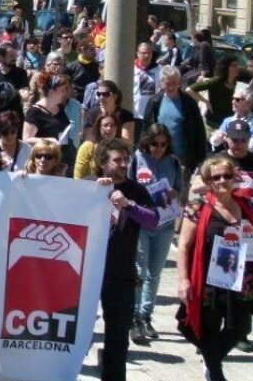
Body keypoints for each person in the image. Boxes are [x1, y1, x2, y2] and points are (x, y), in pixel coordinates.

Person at [176, 156, 253, 381]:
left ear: (234, 178)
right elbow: (183, 247)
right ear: (208, 181)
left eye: (227, 176)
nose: (221, 181)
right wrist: (183, 280)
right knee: (204, 328)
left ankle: (210, 360)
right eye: (215, 177)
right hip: (207, 278)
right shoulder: (197, 208)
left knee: (240, 328)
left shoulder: (244, 206)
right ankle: (216, 375)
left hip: (241, 278)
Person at [94, 138, 159, 381]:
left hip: (120, 272)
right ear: (102, 163)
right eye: (117, 160)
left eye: (125, 159)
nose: (123, 164)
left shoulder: (136, 190)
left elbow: (153, 221)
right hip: (87, 272)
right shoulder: (89, 185)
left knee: (118, 335)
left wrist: (129, 205)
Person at [129, 123, 184, 344]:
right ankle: (134, 317)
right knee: (140, 270)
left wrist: (174, 193)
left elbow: (180, 187)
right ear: (147, 142)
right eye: (154, 144)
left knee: (155, 272)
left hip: (165, 224)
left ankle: (145, 314)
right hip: (142, 222)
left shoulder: (173, 162)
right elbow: (129, 185)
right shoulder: (138, 158)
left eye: (163, 144)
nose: (158, 148)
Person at [142, 65, 208, 176]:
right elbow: (146, 129)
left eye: (175, 83)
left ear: (180, 82)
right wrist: (143, 153)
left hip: (182, 159)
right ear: (162, 82)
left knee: (180, 191)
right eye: (168, 83)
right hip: (158, 157)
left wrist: (200, 159)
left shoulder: (188, 102)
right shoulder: (154, 101)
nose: (171, 87)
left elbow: (199, 131)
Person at [189, 56, 241, 131]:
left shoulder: (234, 81)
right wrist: (206, 102)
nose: (237, 68)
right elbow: (190, 89)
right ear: (225, 68)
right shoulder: (216, 81)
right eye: (233, 65)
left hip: (228, 121)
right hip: (213, 122)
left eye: (237, 65)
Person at [75, 113, 121, 180]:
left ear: (117, 128)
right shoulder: (87, 147)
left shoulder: (121, 149)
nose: (109, 128)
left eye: (113, 125)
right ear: (98, 128)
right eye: (105, 125)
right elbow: (78, 177)